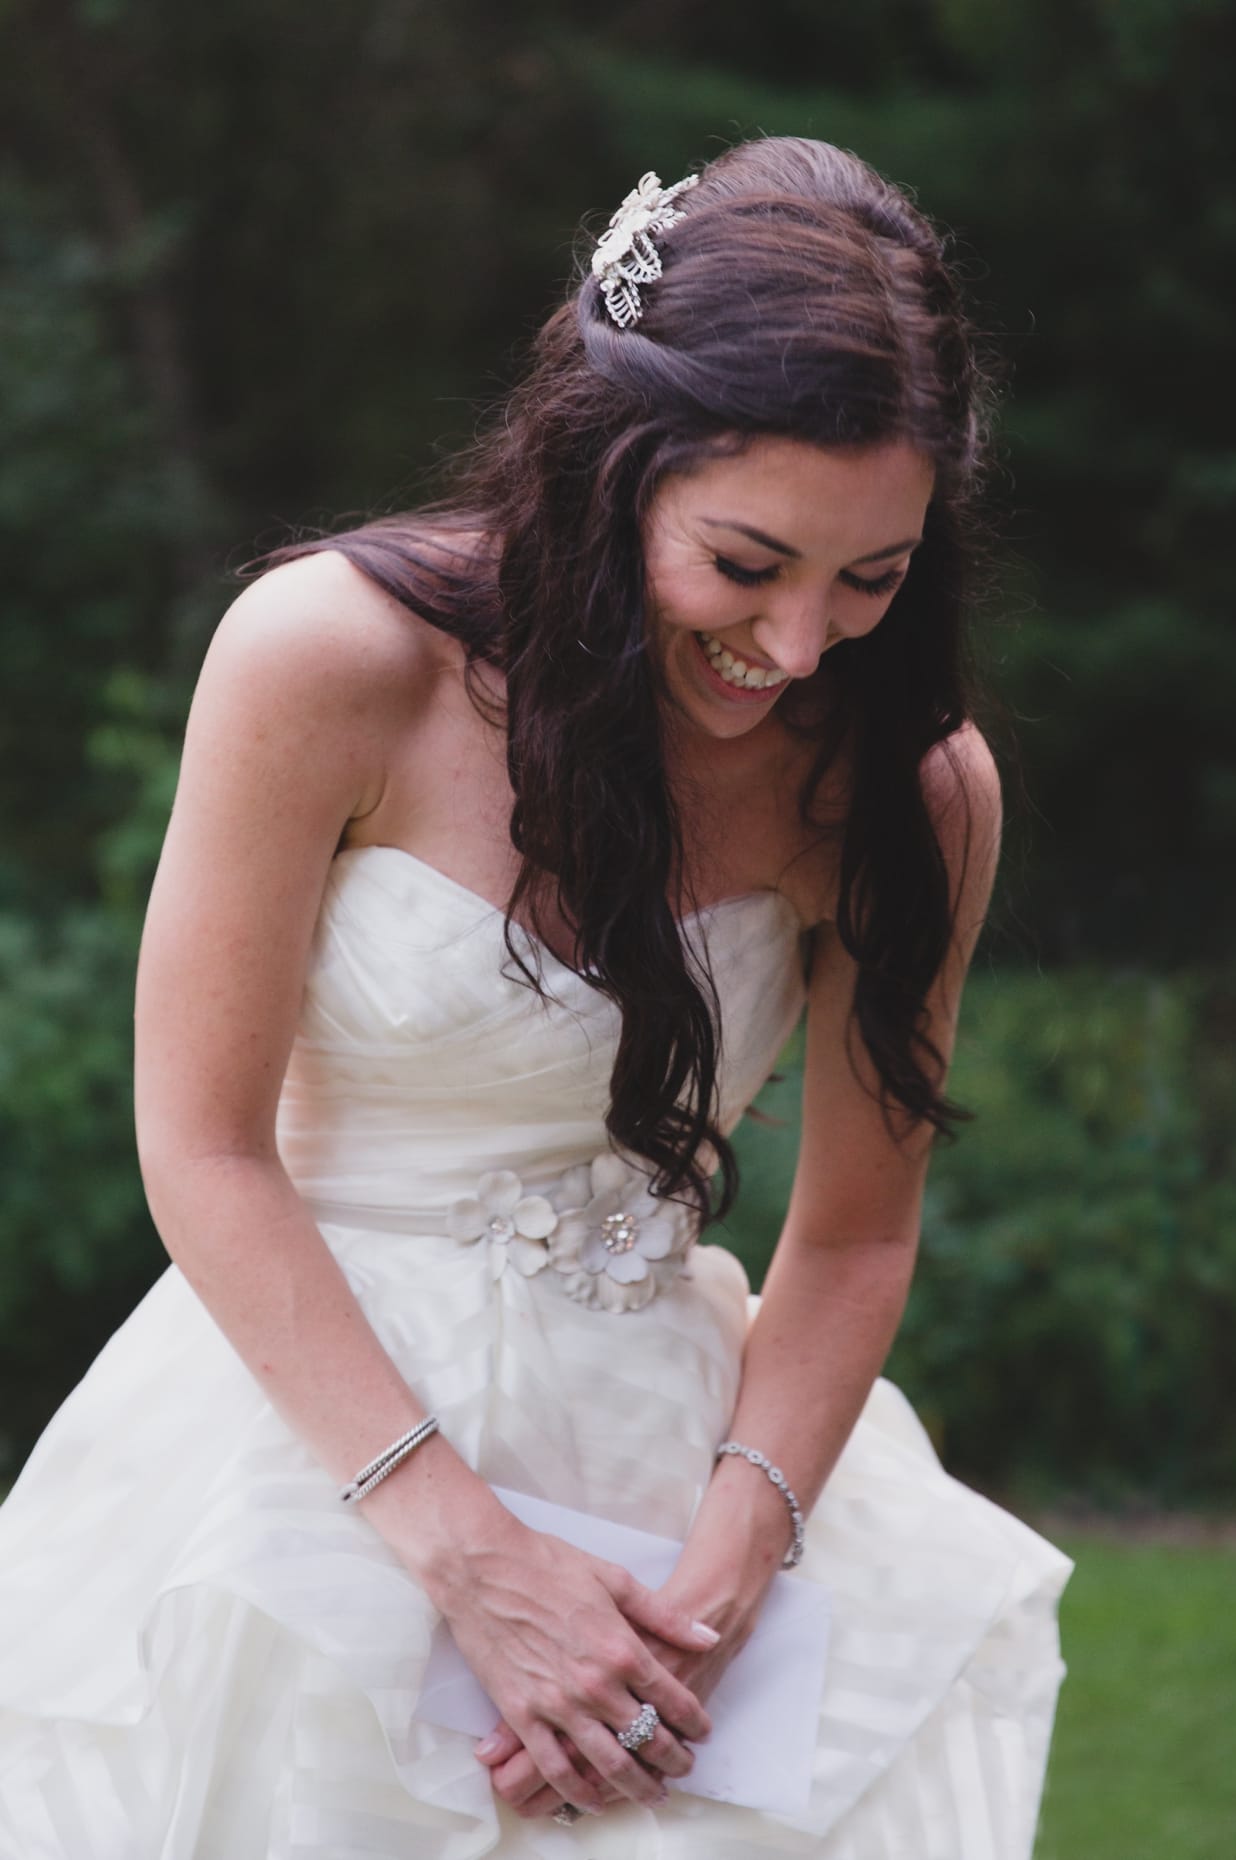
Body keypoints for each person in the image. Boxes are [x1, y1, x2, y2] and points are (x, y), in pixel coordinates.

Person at [0, 136, 1070, 1857]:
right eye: (746, 562)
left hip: (675, 1486)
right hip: (310, 1461)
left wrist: (722, 1576)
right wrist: (471, 1559)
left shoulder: (913, 787)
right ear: (611, 462)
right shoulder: (329, 660)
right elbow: (202, 1144)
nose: (800, 646)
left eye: (871, 579)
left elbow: (859, 1236)